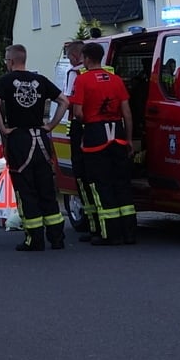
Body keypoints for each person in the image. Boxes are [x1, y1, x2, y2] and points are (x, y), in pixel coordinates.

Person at [0, 44, 69, 251]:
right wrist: (50, 125)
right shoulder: (40, 80)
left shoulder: (6, 81)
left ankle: (34, 239)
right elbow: (64, 101)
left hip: (20, 139)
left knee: (26, 190)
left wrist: (3, 129)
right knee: (46, 189)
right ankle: (57, 238)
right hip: (41, 138)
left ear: (11, 61)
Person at [71, 42, 136, 245]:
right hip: (117, 133)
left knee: (101, 185)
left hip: (95, 136)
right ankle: (130, 232)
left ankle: (110, 233)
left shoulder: (82, 80)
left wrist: (85, 124)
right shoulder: (116, 80)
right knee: (122, 184)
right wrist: (129, 139)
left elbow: (78, 112)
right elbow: (127, 112)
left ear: (87, 58)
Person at [62, 40, 98, 242]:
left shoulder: (74, 74)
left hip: (81, 129)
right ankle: (108, 225)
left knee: (83, 178)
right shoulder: (109, 72)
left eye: (69, 57)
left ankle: (94, 224)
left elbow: (69, 103)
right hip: (104, 129)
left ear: (76, 57)